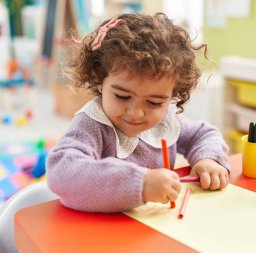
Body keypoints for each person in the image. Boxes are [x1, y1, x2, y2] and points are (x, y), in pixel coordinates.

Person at [46, 13, 231, 213]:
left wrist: (208, 159)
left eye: (154, 102)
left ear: (172, 96)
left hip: (155, 230)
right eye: (123, 97)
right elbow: (61, 172)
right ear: (100, 80)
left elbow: (203, 134)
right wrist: (140, 184)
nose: (136, 113)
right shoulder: (92, 125)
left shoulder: (165, 122)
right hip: (103, 234)